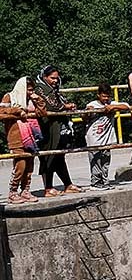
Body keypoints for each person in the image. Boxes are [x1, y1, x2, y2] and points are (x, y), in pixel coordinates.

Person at [35, 65, 82, 196]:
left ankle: (68, 184)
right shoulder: (40, 89)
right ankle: (48, 188)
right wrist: (66, 106)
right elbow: (52, 105)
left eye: (56, 78)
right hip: (47, 129)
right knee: (48, 157)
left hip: (57, 127)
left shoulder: (53, 89)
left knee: (59, 156)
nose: (55, 81)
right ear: (44, 77)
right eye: (52, 78)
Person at [1, 77, 42, 203]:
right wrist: (17, 111)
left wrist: (39, 101)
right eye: (28, 90)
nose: (30, 92)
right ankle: (13, 192)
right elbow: (1, 112)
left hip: (31, 136)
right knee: (20, 164)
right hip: (16, 135)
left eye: (32, 90)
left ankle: (25, 190)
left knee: (30, 165)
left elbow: (42, 113)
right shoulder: (10, 97)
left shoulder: (31, 100)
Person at [83, 83, 129, 189]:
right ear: (98, 95)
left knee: (106, 161)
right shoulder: (92, 104)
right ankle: (95, 183)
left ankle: (104, 181)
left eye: (108, 96)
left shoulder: (111, 103)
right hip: (94, 138)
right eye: (104, 96)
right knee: (96, 161)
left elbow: (126, 106)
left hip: (107, 139)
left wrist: (113, 106)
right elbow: (83, 118)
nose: (106, 98)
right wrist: (88, 112)